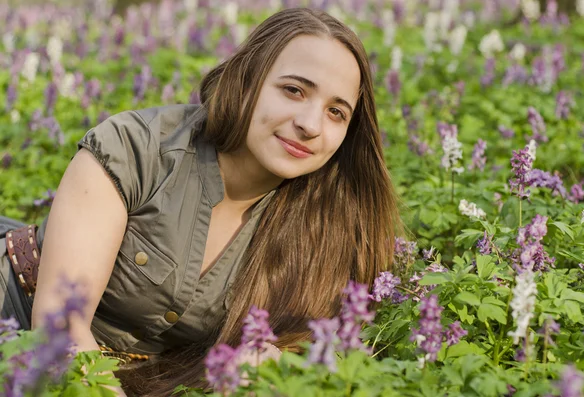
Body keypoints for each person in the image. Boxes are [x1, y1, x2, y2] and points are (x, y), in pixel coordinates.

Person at [0, 7, 403, 396]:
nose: (310, 125)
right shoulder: (136, 149)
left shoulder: (323, 225)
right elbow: (59, 326)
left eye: (336, 112)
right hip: (19, 327)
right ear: (247, 80)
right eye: (293, 90)